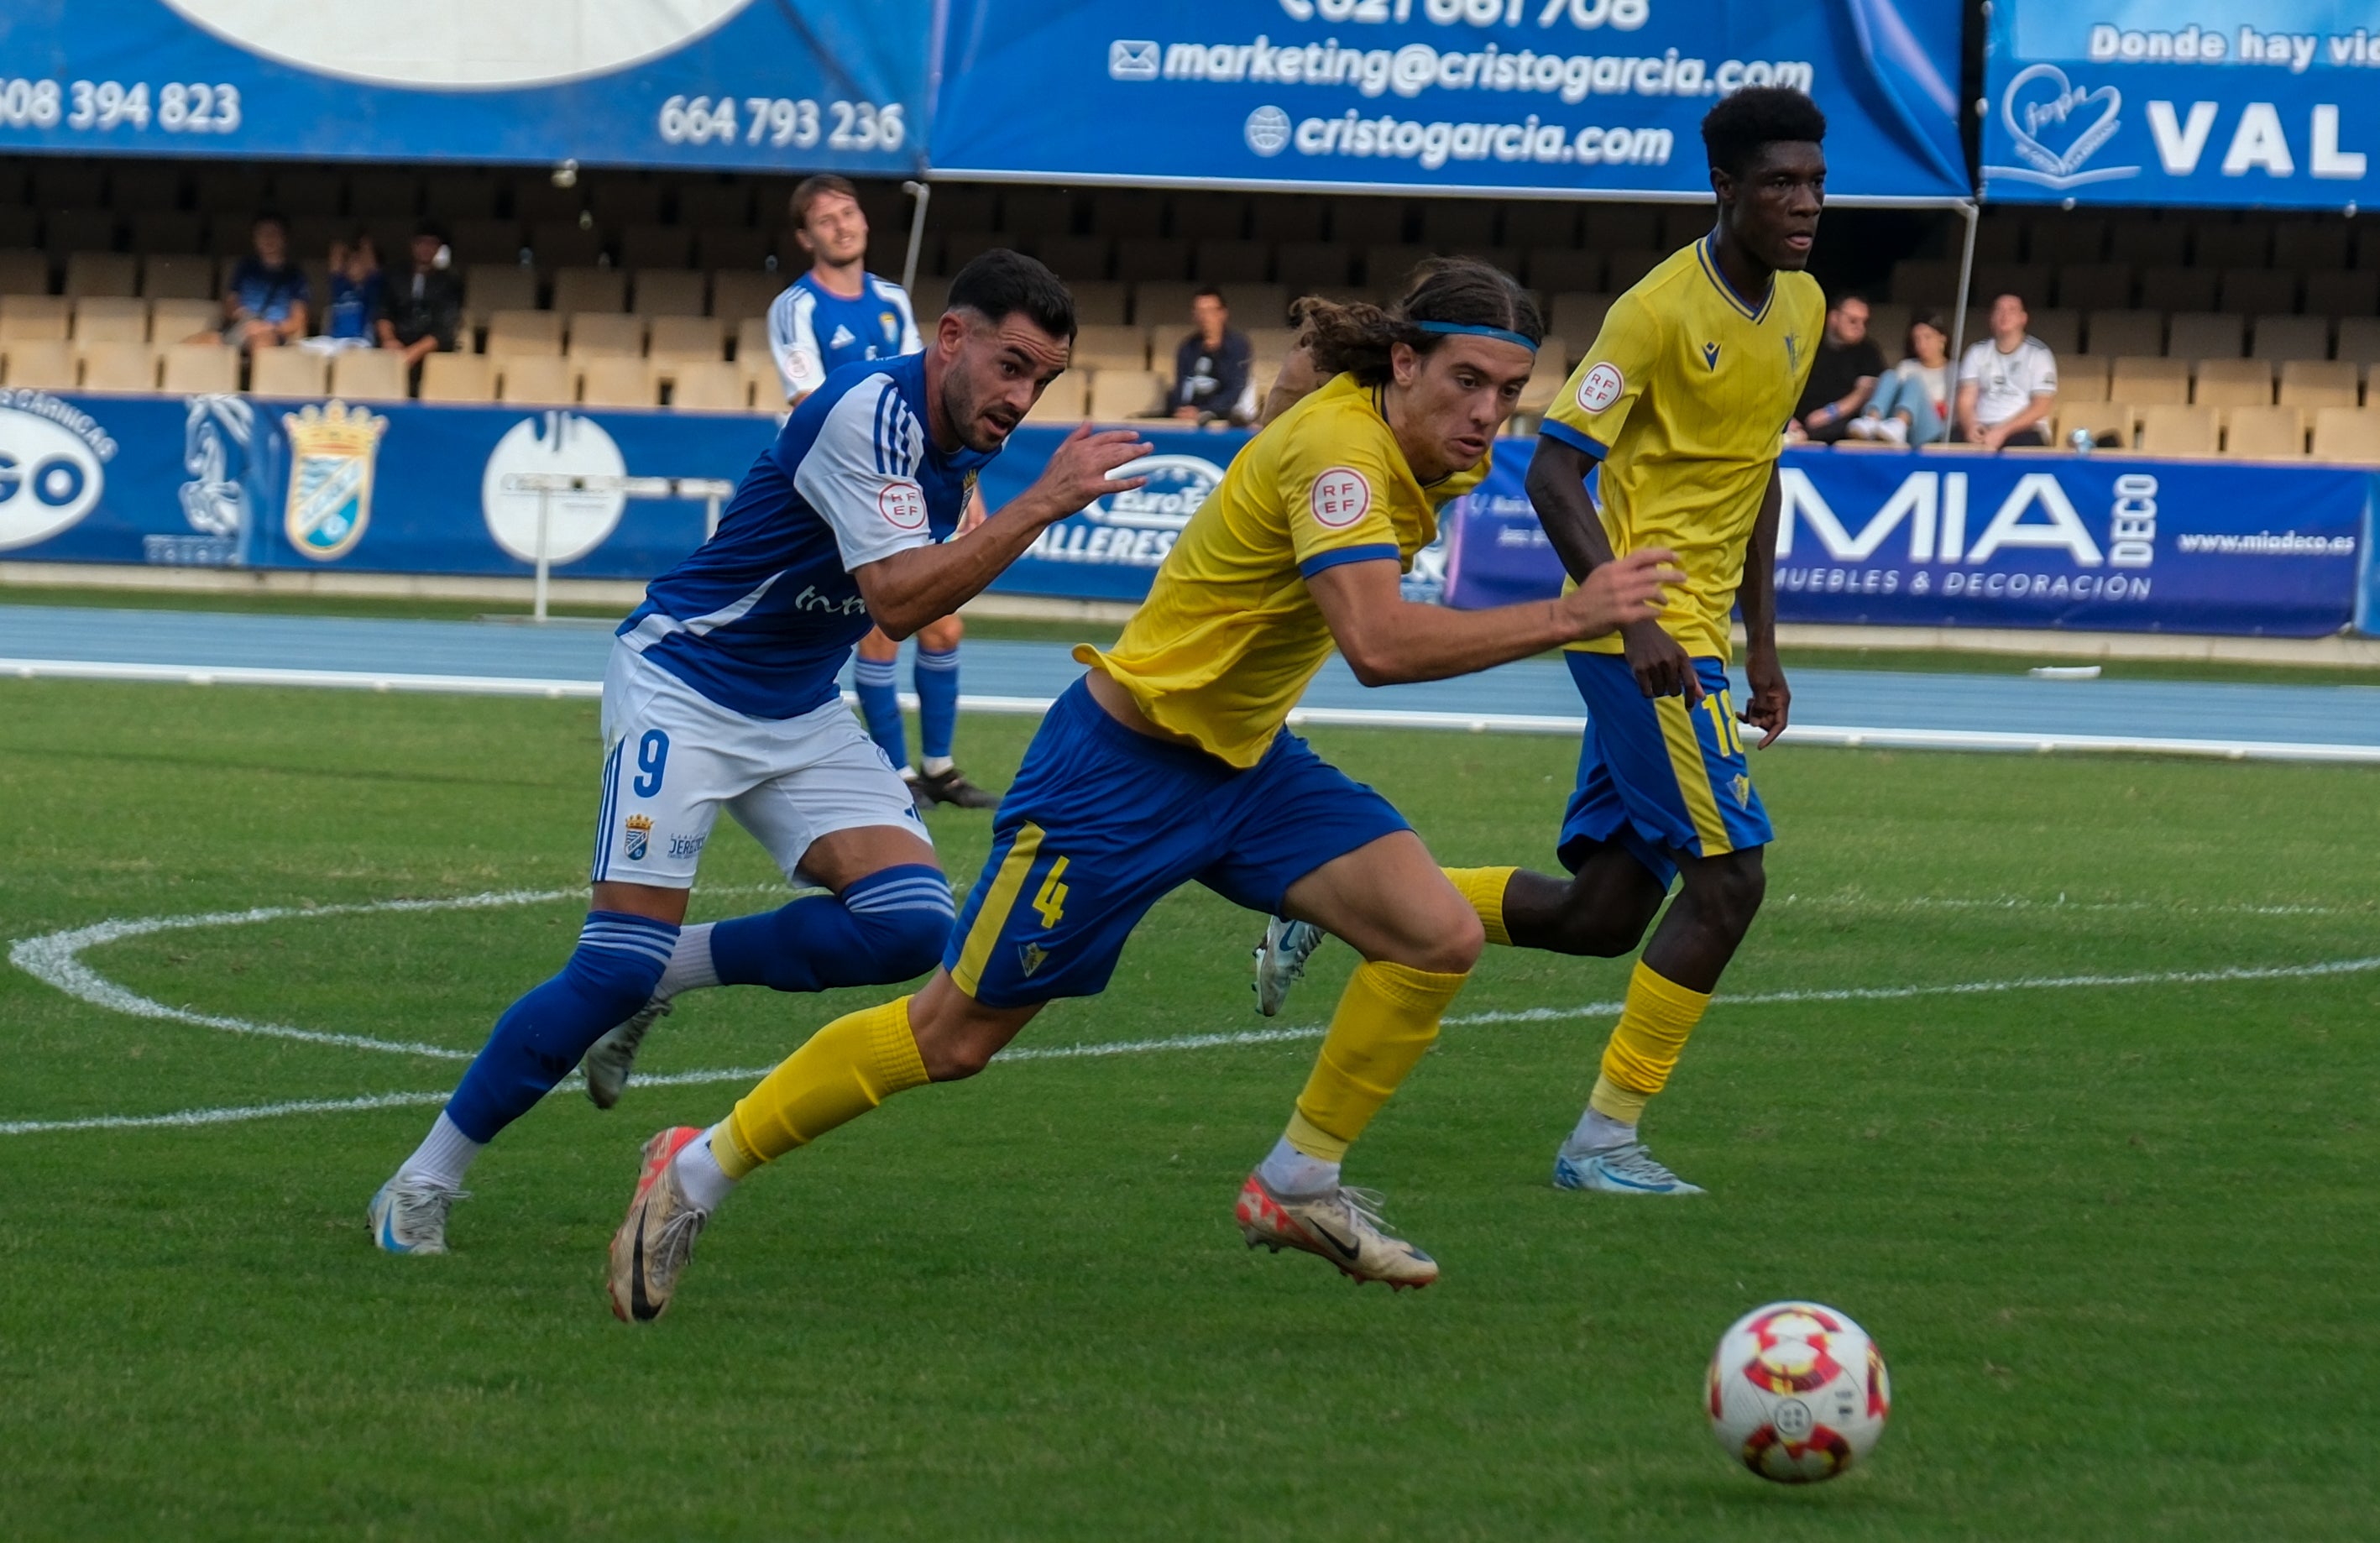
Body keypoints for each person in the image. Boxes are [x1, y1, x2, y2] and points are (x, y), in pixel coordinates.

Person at [599, 259, 1684, 1321]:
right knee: (950, 1038)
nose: (1488, 413)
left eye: (1508, 390)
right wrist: (1571, 613)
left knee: (1435, 934)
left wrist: (1286, 408)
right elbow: (1378, 644)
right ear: (1403, 364)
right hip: (1117, 772)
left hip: (1246, 764)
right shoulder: (1345, 458)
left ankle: (1298, 1180)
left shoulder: (1405, 434)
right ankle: (692, 1168)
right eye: (1467, 382)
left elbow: (1298, 386)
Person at [367, 251, 1150, 1255]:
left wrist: (1016, 504)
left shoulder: (960, 434)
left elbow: (915, 587)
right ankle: (420, 1181)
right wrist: (1042, 502)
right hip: (685, 685)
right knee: (610, 963)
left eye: (1042, 379)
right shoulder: (868, 411)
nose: (1022, 397)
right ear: (951, 337)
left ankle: (667, 973)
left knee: (910, 925)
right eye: (1011, 365)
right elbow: (898, 602)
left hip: (797, 705)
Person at [1254, 86, 1825, 1200]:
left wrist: (1764, 645)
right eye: (1779, 184)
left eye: (1814, 182)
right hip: (1646, 638)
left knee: (1602, 914)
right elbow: (1556, 469)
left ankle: (1328, 899)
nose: (1804, 203)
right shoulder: (1654, 311)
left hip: (1701, 636)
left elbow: (1757, 473)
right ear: (1724, 188)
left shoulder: (1800, 304)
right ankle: (1602, 1140)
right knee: (1728, 884)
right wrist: (1631, 616)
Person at [768, 175, 997, 812]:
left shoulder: (892, 299)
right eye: (826, 219)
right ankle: (895, 772)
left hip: (909, 478)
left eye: (849, 213)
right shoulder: (797, 307)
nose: (842, 226)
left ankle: (940, 768)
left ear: (865, 221)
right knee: (878, 629)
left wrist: (968, 480)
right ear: (805, 237)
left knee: (943, 626)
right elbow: (808, 402)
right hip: (841, 484)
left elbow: (935, 392)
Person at [1956, 294, 2058, 449]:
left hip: (2024, 430)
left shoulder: (2039, 354)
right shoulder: (1976, 352)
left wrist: (2002, 431)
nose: (2005, 315)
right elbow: (1966, 400)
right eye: (1999, 310)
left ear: (2023, 318)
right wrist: (1970, 426)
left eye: (2012, 310)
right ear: (1991, 318)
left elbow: (2041, 406)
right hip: (1983, 427)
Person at [193, 213, 306, 351]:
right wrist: (240, 314)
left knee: (260, 344)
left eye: (274, 234)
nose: (268, 238)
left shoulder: (295, 275)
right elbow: (230, 303)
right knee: (197, 343)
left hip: (272, 332)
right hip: (242, 326)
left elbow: (297, 321)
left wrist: (268, 327)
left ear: (284, 238)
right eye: (262, 234)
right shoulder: (245, 268)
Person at [1844, 310, 1950, 446]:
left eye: (1927, 337)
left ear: (1942, 339)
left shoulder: (1954, 370)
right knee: (1889, 375)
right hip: (1903, 430)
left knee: (1914, 381)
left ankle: (1900, 424)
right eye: (1916, 339)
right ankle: (1871, 420)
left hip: (1933, 431)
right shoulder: (1906, 366)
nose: (1921, 344)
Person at [1789, 293, 1880, 443]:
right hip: (1796, 420)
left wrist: (1830, 413)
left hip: (1839, 422)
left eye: (1865, 322)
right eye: (1853, 321)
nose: (1860, 328)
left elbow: (1864, 392)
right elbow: (1782, 383)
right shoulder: (1806, 343)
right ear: (1833, 318)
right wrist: (1787, 419)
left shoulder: (1868, 351)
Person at [378, 222, 463, 368]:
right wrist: (389, 340)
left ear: (438, 248)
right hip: (397, 343)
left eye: (432, 244)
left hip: (433, 349)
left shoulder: (450, 281)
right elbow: (383, 312)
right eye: (421, 243)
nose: (426, 248)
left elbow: (445, 325)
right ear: (413, 245)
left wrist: (414, 352)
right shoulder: (394, 276)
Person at [1169, 286, 1253, 424]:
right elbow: (1181, 387)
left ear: (1223, 314)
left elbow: (1234, 390)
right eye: (1199, 312)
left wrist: (1203, 411)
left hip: (1222, 415)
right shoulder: (1187, 347)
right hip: (1189, 415)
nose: (1205, 318)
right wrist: (1182, 409)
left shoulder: (1238, 346)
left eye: (1210, 311)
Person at [299, 233, 382, 354]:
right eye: (350, 261)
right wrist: (345, 245)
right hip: (334, 341)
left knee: (351, 351)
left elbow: (371, 261)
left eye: (358, 261)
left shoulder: (371, 287)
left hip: (359, 341)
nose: (353, 264)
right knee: (300, 347)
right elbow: (336, 252)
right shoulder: (341, 286)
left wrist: (363, 242)